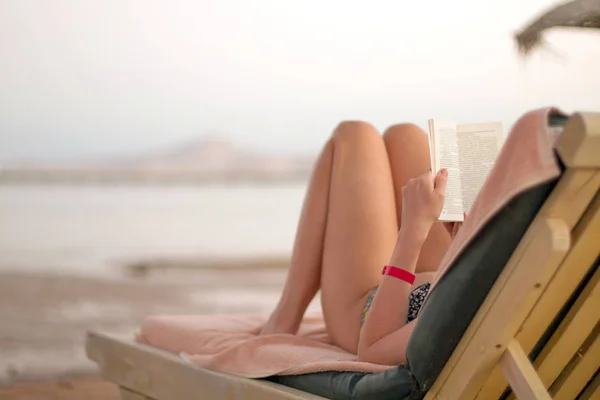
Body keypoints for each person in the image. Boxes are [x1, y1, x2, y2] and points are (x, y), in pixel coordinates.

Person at [259, 121, 464, 366]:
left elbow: (374, 350)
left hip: (371, 312)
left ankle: (285, 315)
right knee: (405, 136)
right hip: (444, 277)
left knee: (353, 135)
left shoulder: (474, 319)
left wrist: (413, 230)